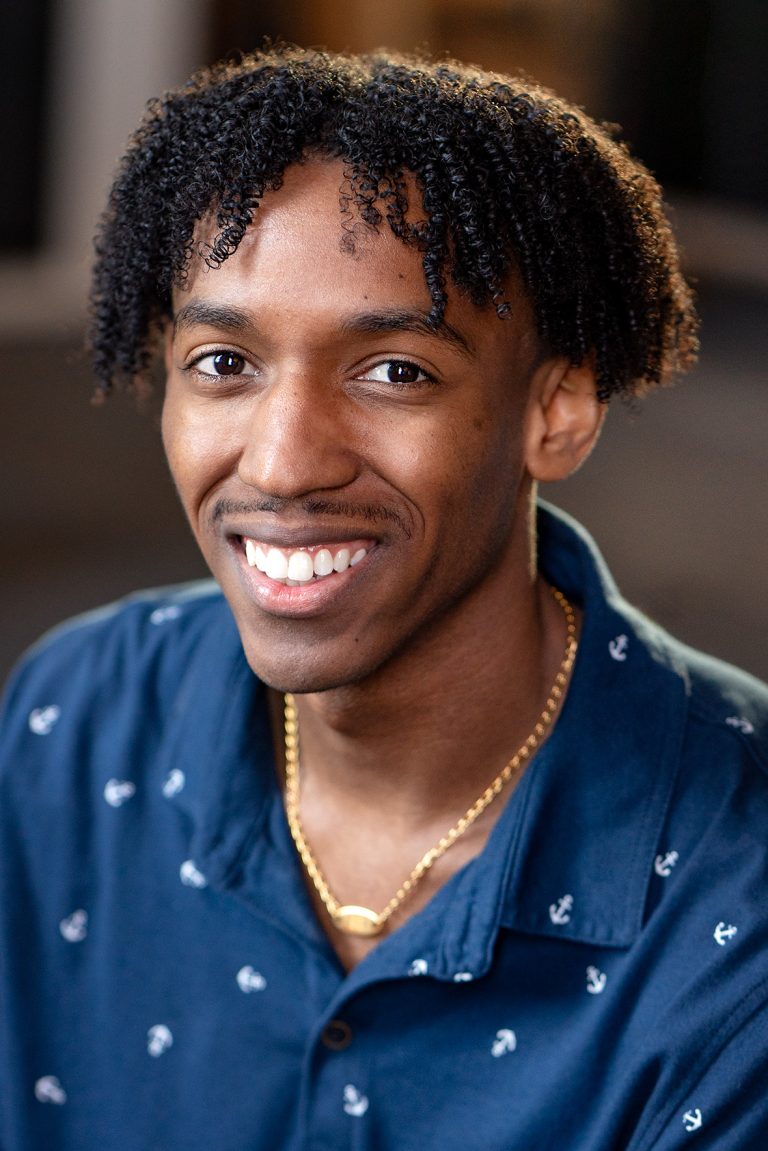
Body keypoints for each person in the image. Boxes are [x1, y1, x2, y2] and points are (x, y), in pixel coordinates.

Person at [1, 44, 766, 1151]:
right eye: (224, 362)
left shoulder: (735, 901)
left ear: (558, 410)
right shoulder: (77, 718)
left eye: (394, 371)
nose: (282, 463)